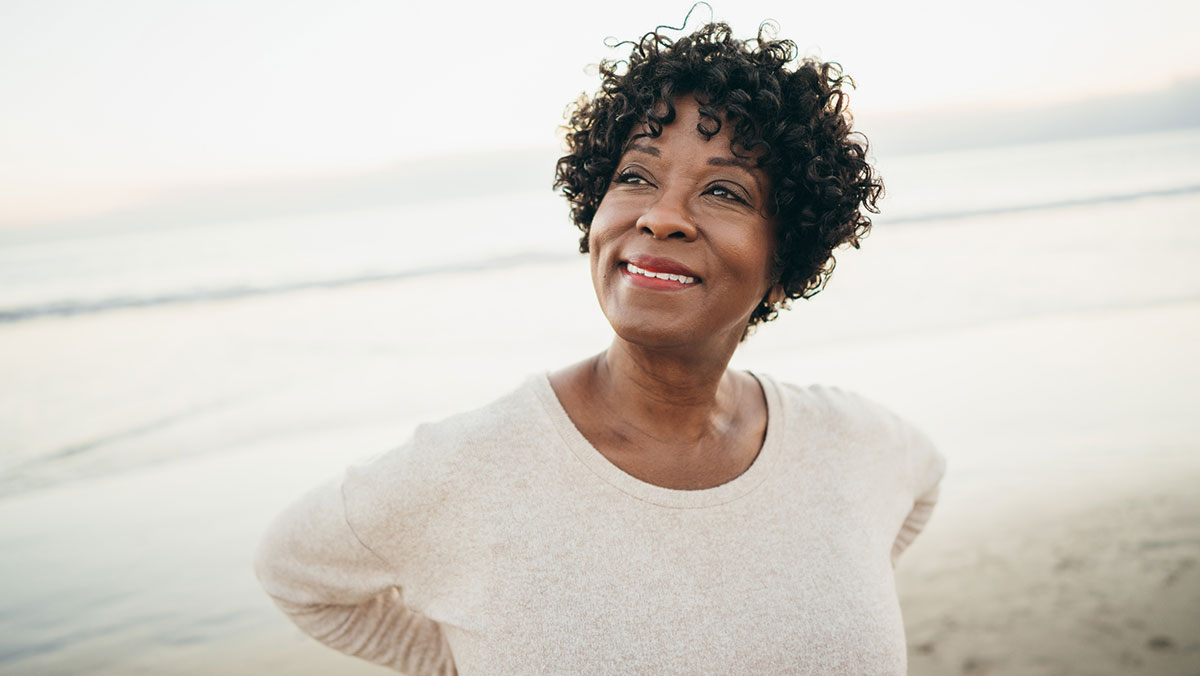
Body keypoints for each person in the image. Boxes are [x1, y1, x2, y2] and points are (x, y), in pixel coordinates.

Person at [254, 18, 945, 676]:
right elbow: (294, 572)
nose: (661, 215)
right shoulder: (469, 469)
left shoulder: (858, 443)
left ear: (784, 267)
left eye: (725, 190)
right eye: (637, 176)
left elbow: (922, 484)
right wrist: (466, 659)